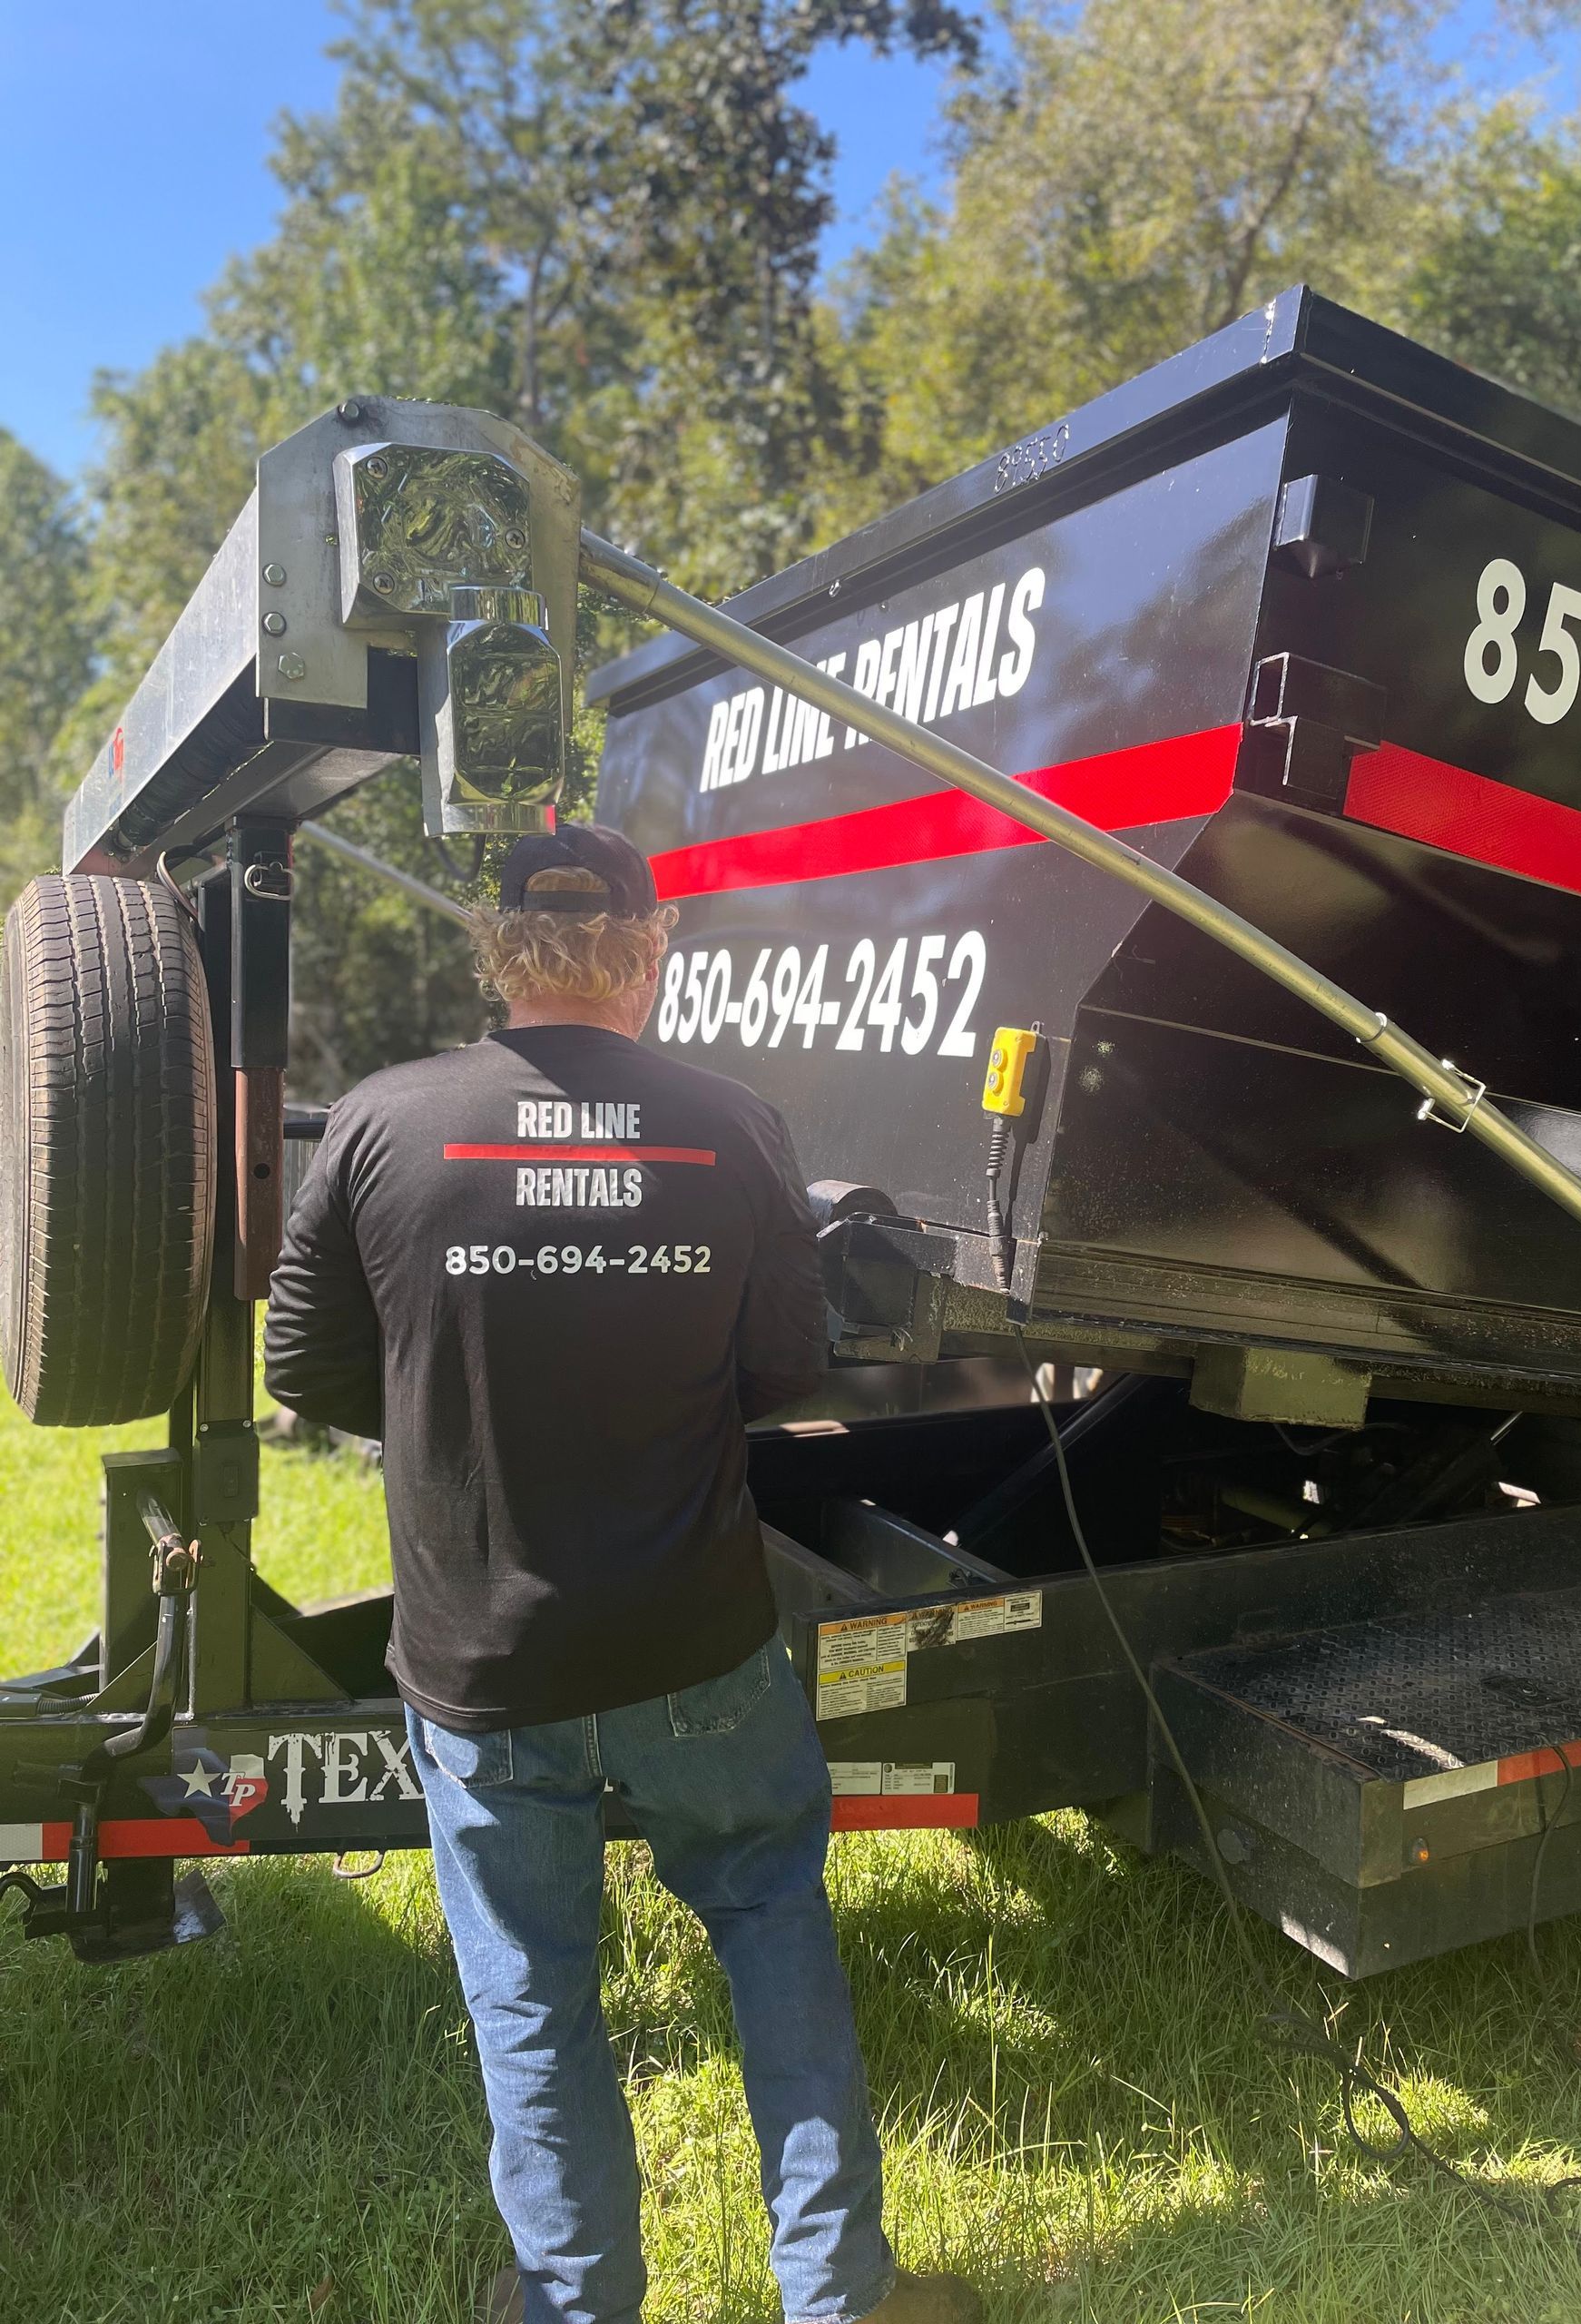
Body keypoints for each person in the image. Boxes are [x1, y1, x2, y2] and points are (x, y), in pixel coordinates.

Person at [264, 824, 981, 2324]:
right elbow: (789, 1366)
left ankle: (578, 2304)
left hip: (483, 1663)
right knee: (771, 1916)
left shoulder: (386, 1125)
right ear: (649, 954)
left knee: (532, 1992)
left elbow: (305, 1362)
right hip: (697, 1646)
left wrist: (453, 1407)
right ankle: (842, 2293)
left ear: (493, 949)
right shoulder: (733, 1127)